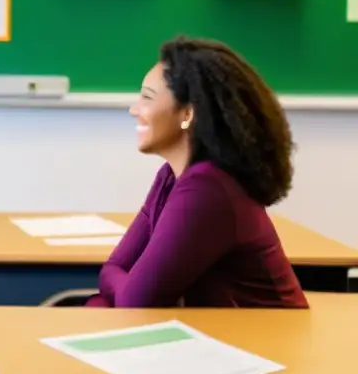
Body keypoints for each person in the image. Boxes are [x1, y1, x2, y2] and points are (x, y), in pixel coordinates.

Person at [89, 36, 308, 309]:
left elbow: (136, 300)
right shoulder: (171, 176)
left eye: (147, 97)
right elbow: (115, 268)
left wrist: (119, 286)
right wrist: (119, 287)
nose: (134, 109)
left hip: (263, 345)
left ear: (187, 114)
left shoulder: (208, 188)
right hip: (224, 339)